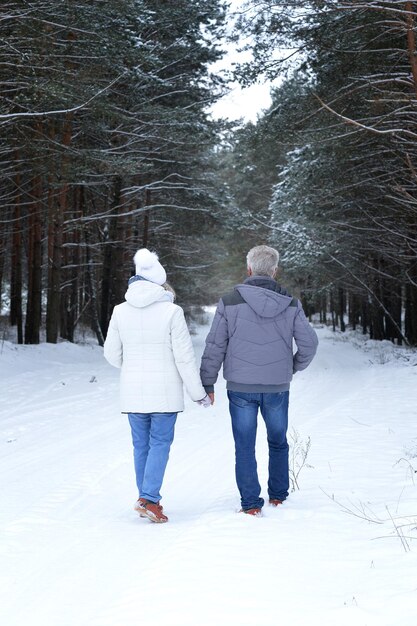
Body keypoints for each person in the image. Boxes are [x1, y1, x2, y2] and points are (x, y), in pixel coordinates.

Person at [200, 245, 318, 516]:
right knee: (278, 441)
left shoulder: (230, 301)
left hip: (240, 388)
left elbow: (215, 345)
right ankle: (278, 497)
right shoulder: (290, 304)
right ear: (275, 271)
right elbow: (309, 344)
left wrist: (207, 383)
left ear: (249, 269)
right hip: (277, 387)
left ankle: (251, 505)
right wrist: (291, 368)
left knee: (244, 444)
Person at [104, 248, 211, 523]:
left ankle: (145, 497)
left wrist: (131, 368)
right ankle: (149, 499)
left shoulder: (119, 311)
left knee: (141, 445)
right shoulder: (172, 312)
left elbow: (111, 355)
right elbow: (185, 358)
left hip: (132, 391)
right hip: (164, 393)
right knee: (160, 442)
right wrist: (198, 393)